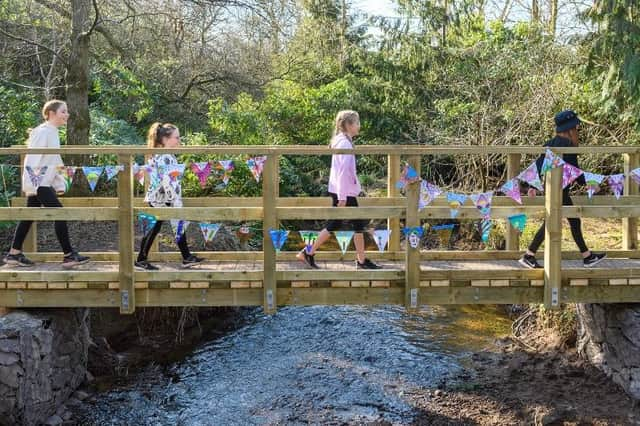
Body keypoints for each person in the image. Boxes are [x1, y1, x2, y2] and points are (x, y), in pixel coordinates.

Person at [4, 100, 90, 268]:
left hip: (42, 182)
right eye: (63, 111)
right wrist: (34, 185)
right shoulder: (43, 132)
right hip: (39, 183)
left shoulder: (52, 132)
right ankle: (69, 255)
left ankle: (14, 253)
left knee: (29, 216)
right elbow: (33, 159)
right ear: (51, 113)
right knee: (60, 213)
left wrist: (58, 183)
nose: (67, 114)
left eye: (67, 111)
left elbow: (54, 160)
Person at [519, 109, 607, 269]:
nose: (577, 133)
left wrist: (531, 186)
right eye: (576, 129)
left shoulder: (550, 143)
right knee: (558, 221)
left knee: (571, 220)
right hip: (560, 190)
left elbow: (538, 166)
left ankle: (587, 255)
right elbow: (575, 171)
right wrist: (592, 183)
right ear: (570, 130)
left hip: (552, 188)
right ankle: (529, 255)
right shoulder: (567, 146)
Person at [296, 110, 381, 270]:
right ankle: (308, 252)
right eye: (357, 123)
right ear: (348, 125)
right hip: (344, 191)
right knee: (338, 224)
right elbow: (342, 172)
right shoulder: (344, 144)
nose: (359, 126)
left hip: (344, 190)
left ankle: (361, 260)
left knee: (356, 224)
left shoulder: (344, 141)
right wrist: (342, 197)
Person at [135, 122, 204, 270]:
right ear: (165, 140)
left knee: (177, 225)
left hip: (166, 197)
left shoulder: (165, 155)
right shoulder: (165, 156)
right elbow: (166, 181)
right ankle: (141, 259)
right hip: (161, 198)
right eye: (177, 137)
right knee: (155, 227)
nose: (179, 140)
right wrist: (174, 200)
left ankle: (187, 257)